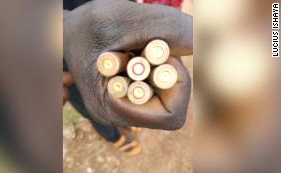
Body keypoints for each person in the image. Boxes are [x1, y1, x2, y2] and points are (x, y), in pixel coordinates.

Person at [63, 0, 192, 156]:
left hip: (105, 18)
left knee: (119, 102)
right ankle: (112, 136)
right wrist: (65, 27)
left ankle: (126, 121)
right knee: (89, 102)